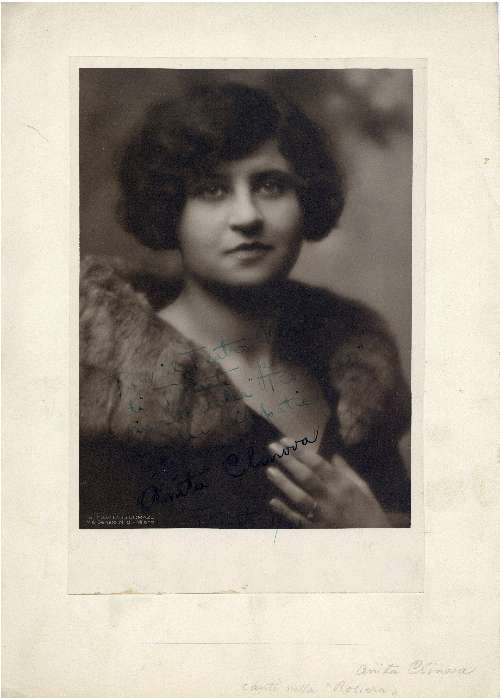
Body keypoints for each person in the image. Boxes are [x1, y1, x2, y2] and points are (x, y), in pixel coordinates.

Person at [79, 81, 411, 529]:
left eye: (271, 186)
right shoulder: (106, 391)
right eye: (212, 190)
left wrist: (374, 531)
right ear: (170, 211)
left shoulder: (357, 380)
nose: (248, 216)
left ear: (305, 201)